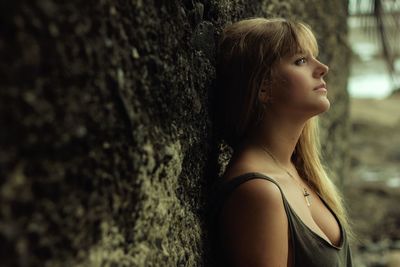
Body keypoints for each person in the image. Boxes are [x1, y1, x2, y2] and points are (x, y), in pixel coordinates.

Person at [212, 17, 353, 266]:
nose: (322, 68)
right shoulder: (258, 193)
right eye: (301, 61)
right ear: (263, 87)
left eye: (314, 57)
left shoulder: (298, 170)